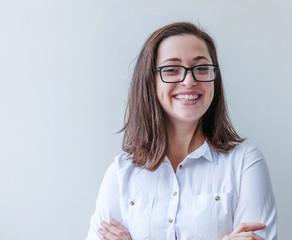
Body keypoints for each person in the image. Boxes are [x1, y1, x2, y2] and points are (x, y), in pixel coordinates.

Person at [85, 22, 277, 240]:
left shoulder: (245, 164)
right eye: (171, 69)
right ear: (151, 81)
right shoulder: (121, 174)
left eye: (202, 68)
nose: (189, 80)